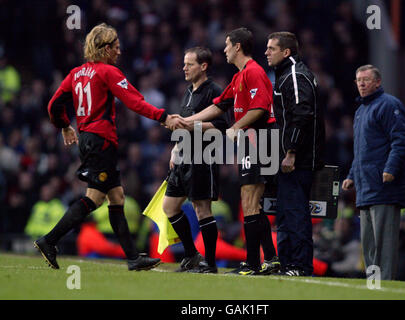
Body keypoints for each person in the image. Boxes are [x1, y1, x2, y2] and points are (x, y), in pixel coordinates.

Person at [33, 23, 185, 271]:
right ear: (104, 49)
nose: (119, 51)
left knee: (117, 197)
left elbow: (53, 105)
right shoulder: (108, 72)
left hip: (88, 140)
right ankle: (49, 240)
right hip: (101, 141)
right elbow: (134, 101)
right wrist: (163, 117)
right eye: (115, 47)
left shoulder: (76, 74)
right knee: (94, 197)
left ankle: (133, 258)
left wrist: (64, 126)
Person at [183, 27, 279, 275]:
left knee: (249, 202)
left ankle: (252, 263)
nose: (223, 49)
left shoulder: (254, 72)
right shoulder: (239, 77)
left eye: (226, 45)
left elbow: (260, 108)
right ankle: (270, 258)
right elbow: (218, 106)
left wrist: (235, 126)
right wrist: (186, 121)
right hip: (252, 139)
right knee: (253, 205)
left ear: (237, 47)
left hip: (260, 139)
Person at [342, 64, 405, 280]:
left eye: (366, 79)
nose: (361, 84)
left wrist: (390, 168)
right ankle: (374, 285)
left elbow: (401, 141)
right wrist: (352, 176)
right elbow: (361, 151)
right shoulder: (361, 111)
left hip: (384, 187)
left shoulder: (389, 105)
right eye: (358, 80)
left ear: (378, 82)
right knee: (370, 243)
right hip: (366, 188)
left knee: (384, 243)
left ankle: (386, 285)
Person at [163, 47, 227, 273]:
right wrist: (175, 148)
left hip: (203, 157)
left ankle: (210, 263)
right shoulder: (188, 91)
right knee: (169, 207)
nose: (184, 68)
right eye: (184, 63)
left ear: (204, 66)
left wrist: (191, 125)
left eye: (189, 64)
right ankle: (191, 254)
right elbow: (182, 124)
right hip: (183, 157)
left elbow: (222, 127)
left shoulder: (215, 91)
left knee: (202, 210)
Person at [265, 32, 325, 276]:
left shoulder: (295, 75)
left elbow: (301, 114)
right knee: (286, 214)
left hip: (297, 161)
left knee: (296, 214)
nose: (266, 52)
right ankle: (288, 264)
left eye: (271, 48)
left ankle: (300, 266)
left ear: (286, 52)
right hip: (289, 160)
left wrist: (290, 152)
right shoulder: (286, 75)